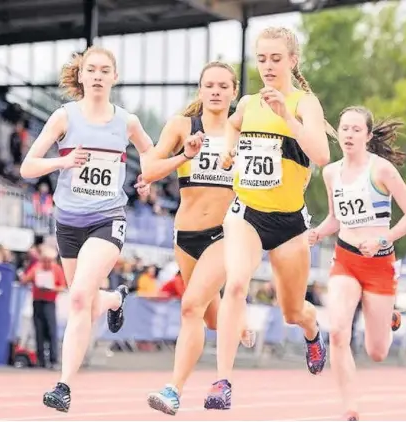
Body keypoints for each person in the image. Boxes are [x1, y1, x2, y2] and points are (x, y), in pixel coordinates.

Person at [204, 26, 334, 410]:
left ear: (293, 61)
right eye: (261, 59)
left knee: (293, 311)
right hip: (247, 212)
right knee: (237, 284)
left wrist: (286, 117)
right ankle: (221, 382)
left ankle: (312, 331)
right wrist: (229, 151)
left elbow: (322, 156)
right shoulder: (247, 102)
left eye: (276, 59)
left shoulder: (304, 104)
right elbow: (232, 124)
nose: (268, 66)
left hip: (290, 222)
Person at [19, 45, 154, 413]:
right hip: (68, 222)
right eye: (91, 69)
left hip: (107, 218)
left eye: (104, 70)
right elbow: (27, 167)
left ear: (114, 77)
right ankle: (113, 299)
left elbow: (150, 153)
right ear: (81, 76)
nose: (97, 75)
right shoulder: (64, 117)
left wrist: (147, 178)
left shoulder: (127, 122)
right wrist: (61, 161)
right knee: (89, 297)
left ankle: (63, 386)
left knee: (78, 298)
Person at [139, 61, 256, 416]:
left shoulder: (247, 131)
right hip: (186, 234)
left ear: (234, 92)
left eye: (224, 86)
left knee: (190, 306)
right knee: (207, 317)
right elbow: (149, 169)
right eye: (210, 85)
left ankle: (173, 390)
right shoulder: (180, 126)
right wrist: (184, 155)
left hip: (228, 232)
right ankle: (236, 317)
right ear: (200, 90)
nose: (216, 91)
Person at [307, 106, 406, 420]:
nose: (349, 134)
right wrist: (317, 232)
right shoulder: (331, 172)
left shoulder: (381, 169)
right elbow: (335, 218)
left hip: (380, 265)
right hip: (345, 260)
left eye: (357, 129)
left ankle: (389, 318)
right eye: (344, 128)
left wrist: (384, 239)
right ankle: (350, 407)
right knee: (339, 331)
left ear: (368, 136)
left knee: (377, 352)